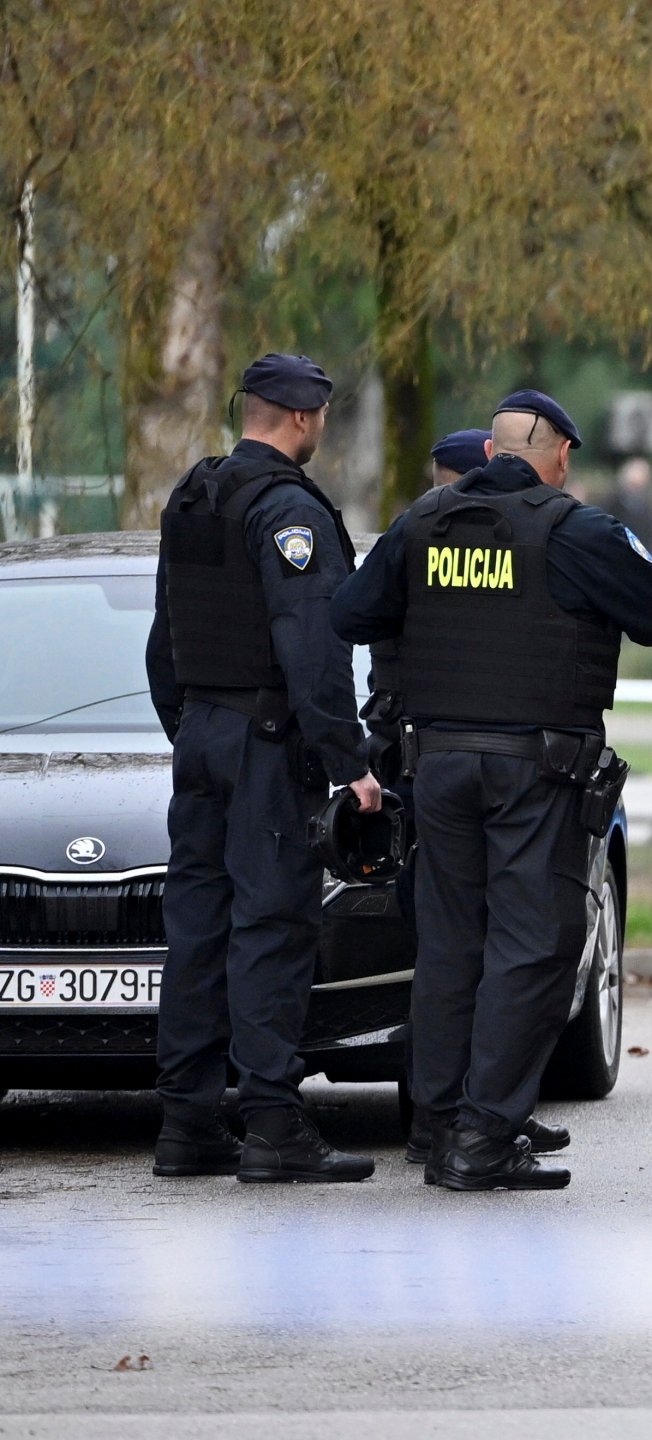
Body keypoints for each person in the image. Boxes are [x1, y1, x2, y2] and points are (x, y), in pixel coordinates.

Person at [331, 390, 652, 1191]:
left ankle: (436, 1122)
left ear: (491, 455)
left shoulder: (423, 523)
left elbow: (352, 614)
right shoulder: (575, 529)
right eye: (568, 455)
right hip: (536, 770)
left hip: (440, 767)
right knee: (537, 945)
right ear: (556, 456)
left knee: (452, 945)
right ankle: (486, 1134)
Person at [145, 353, 383, 1184]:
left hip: (203, 735)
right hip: (263, 741)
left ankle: (186, 1125)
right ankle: (275, 1127)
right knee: (271, 927)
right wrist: (347, 760)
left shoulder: (193, 495)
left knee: (197, 929)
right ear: (303, 417)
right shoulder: (287, 509)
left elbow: (164, 641)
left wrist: (193, 724)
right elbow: (310, 648)